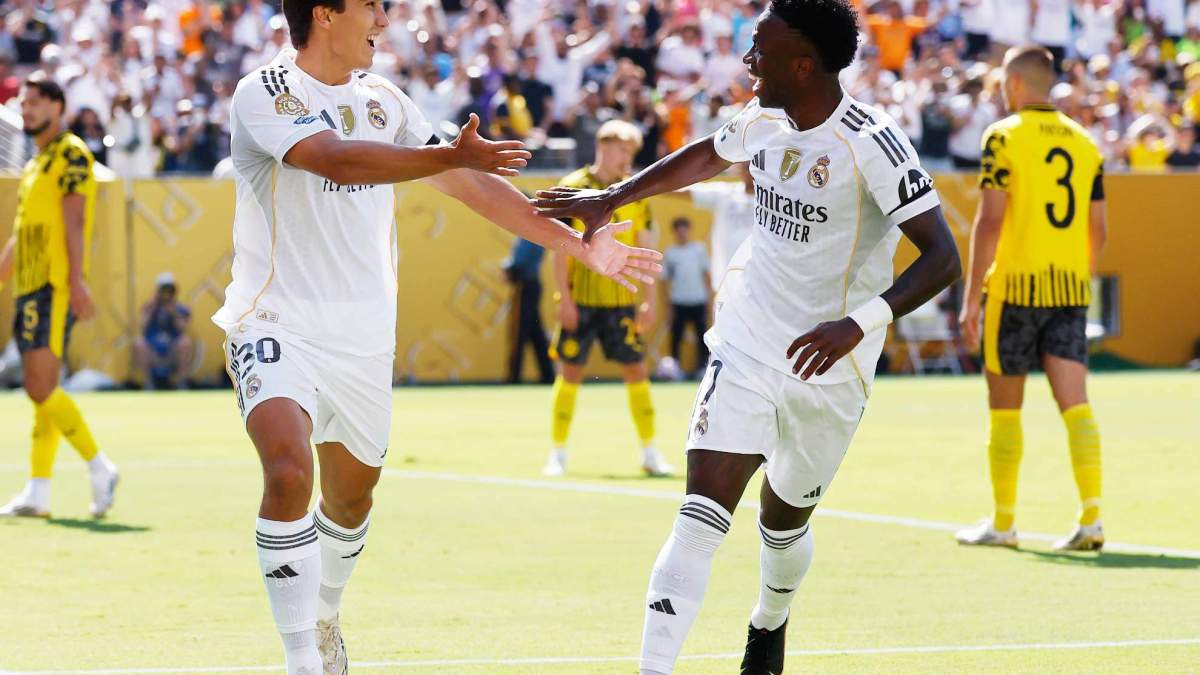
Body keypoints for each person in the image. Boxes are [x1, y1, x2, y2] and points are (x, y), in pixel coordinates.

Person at [211, 2, 662, 673]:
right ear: (325, 13)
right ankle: (302, 659)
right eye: (371, 6)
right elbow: (333, 159)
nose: (383, 20)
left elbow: (473, 186)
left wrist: (577, 246)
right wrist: (444, 155)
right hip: (274, 321)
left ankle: (326, 613)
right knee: (287, 471)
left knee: (351, 498)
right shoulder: (266, 90)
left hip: (362, 339)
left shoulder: (386, 100)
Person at [534, 1, 961, 672]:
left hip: (832, 364)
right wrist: (612, 197)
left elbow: (943, 258)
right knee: (700, 510)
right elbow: (706, 155)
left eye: (761, 48)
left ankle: (770, 618)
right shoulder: (762, 117)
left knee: (782, 523)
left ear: (804, 65)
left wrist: (857, 324)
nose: (747, 60)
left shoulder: (873, 143)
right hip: (747, 338)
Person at [956, 45, 1108, 552]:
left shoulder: (1002, 136)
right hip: (1068, 289)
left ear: (1016, 83)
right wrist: (1079, 276)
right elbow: (1099, 230)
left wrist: (971, 300)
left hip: (1014, 290)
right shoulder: (1086, 143)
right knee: (1077, 406)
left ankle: (1004, 524)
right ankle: (1091, 518)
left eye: (1003, 81)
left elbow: (990, 221)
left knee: (1005, 410)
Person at [0, 76, 118, 519]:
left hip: (53, 286)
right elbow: (21, 233)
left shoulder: (71, 153)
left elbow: (75, 219)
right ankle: (38, 491)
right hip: (30, 285)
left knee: (39, 386)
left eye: (35, 102)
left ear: (57, 106)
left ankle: (99, 466)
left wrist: (76, 281)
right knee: (41, 388)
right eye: (22, 102)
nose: (26, 109)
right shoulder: (36, 163)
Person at [544, 120, 673, 478]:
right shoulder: (573, 186)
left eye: (631, 152)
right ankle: (558, 453)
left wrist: (649, 299)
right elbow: (558, 247)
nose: (627, 158)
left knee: (637, 371)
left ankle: (650, 452)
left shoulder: (635, 191)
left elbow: (646, 246)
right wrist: (564, 299)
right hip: (582, 299)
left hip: (622, 300)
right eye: (622, 150)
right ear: (603, 146)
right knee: (570, 372)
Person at [662, 217, 710, 377]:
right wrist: (668, 306)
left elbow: (707, 275)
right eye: (679, 230)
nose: (682, 233)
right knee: (676, 336)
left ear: (689, 230)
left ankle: (703, 368)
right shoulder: (670, 253)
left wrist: (709, 300)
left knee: (703, 336)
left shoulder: (699, 249)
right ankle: (675, 370)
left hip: (698, 300)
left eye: (684, 230)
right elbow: (664, 280)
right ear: (675, 232)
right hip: (679, 301)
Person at [503, 236, 554, 384]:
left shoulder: (531, 233)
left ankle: (513, 376)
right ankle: (547, 374)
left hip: (524, 285)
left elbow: (520, 263)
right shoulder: (535, 232)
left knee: (518, 331)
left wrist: (509, 269)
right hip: (530, 285)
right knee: (535, 331)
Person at [133, 272, 194, 390]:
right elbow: (142, 326)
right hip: (153, 352)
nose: (166, 294)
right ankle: (148, 384)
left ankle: (181, 383)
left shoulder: (180, 309)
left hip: (172, 351)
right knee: (139, 343)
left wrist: (173, 312)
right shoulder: (148, 308)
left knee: (185, 342)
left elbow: (182, 328)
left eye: (169, 290)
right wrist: (153, 306)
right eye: (163, 290)